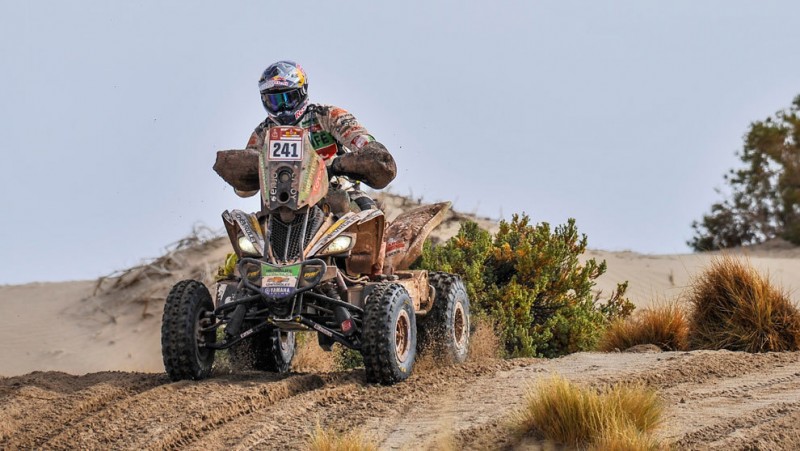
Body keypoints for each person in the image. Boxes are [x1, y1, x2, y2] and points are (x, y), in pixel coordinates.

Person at [238, 60, 396, 212]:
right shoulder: (263, 133)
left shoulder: (327, 115)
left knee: (368, 212)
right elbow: (243, 189)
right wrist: (242, 175)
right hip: (282, 201)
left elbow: (361, 139)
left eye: (288, 98)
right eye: (274, 100)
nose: (282, 107)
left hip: (338, 188)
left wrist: (367, 151)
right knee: (245, 226)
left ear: (302, 92)